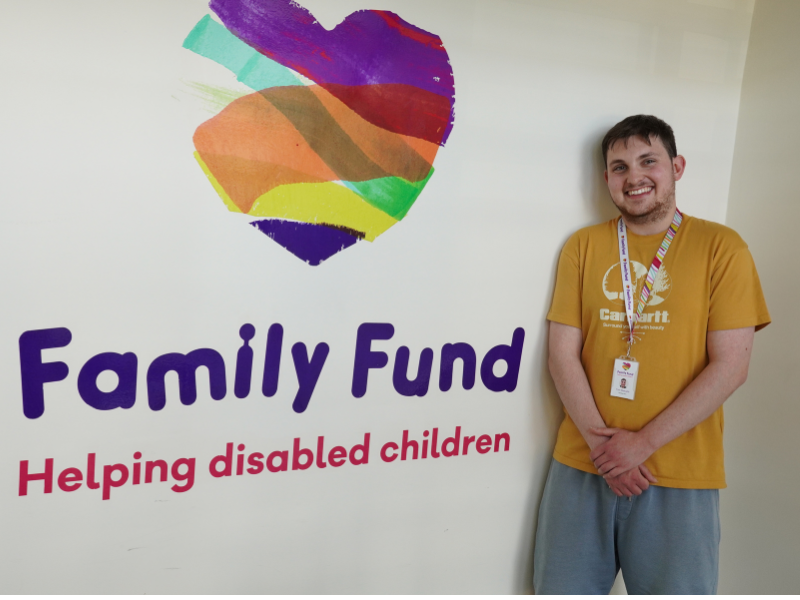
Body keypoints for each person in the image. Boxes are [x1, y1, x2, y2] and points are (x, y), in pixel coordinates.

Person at [533, 115, 770, 594]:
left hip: (679, 474)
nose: (633, 176)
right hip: (582, 466)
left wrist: (640, 446)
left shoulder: (723, 248)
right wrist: (607, 452)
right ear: (606, 180)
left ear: (676, 167)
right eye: (618, 167)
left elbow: (731, 366)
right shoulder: (583, 247)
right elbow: (562, 355)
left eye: (648, 161)